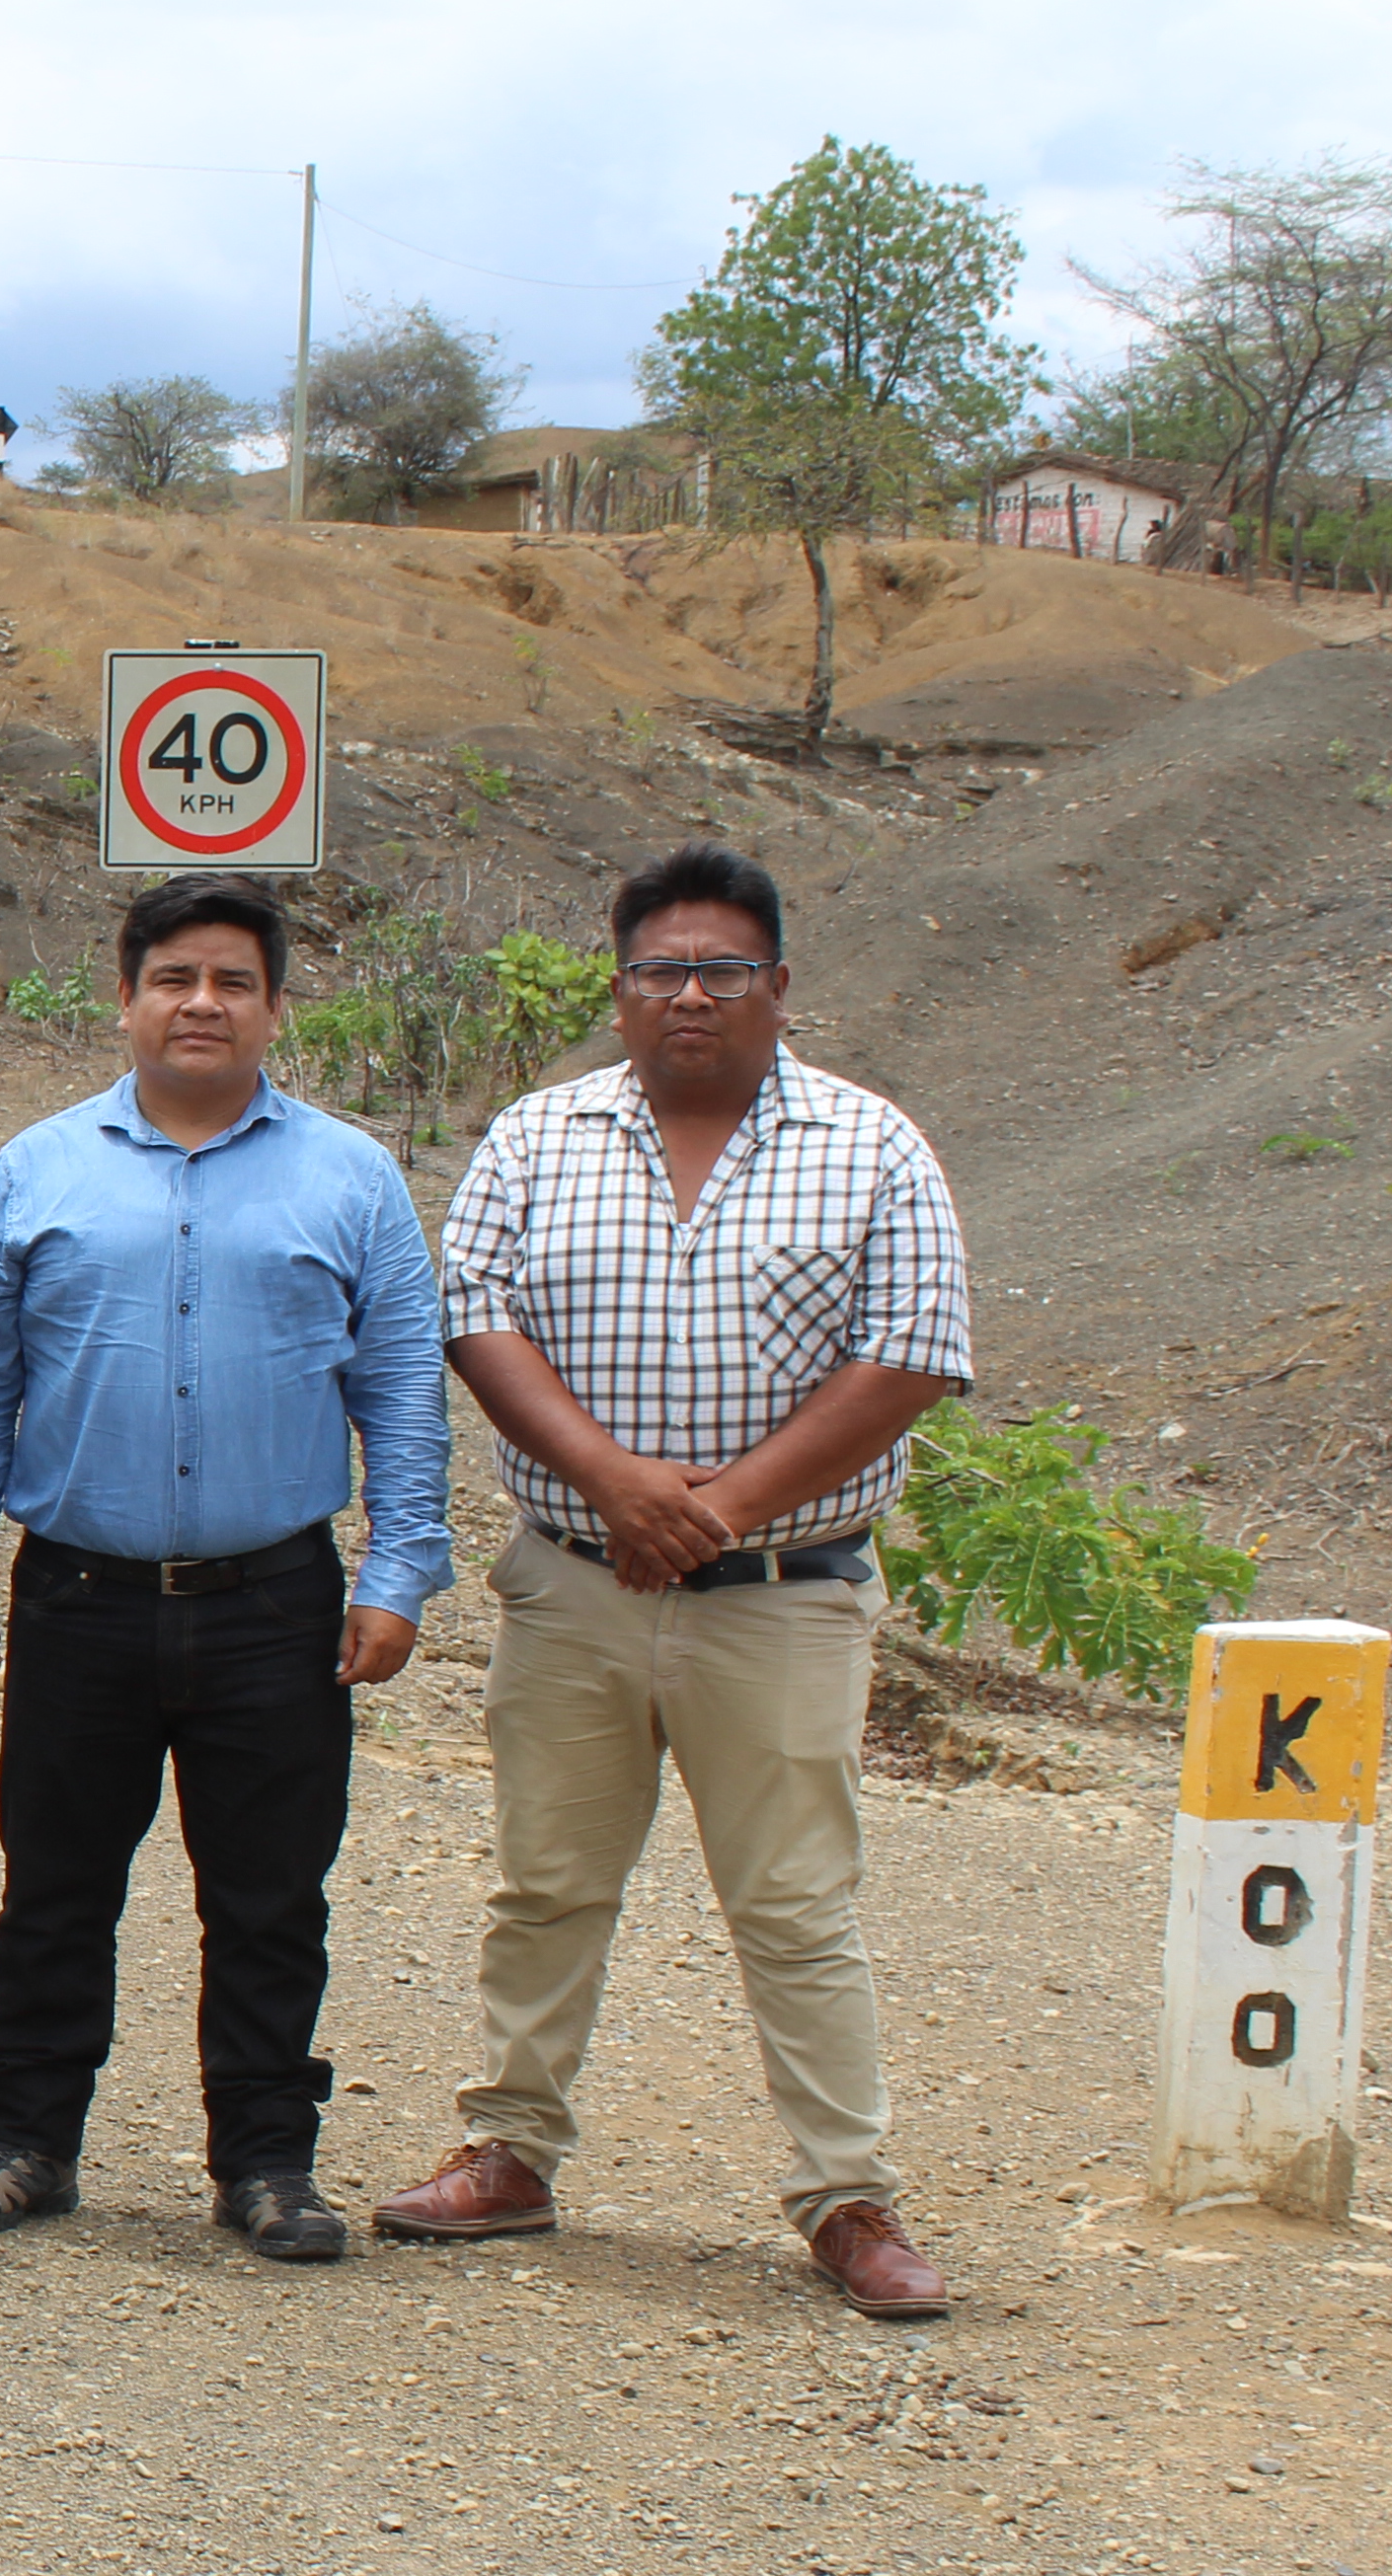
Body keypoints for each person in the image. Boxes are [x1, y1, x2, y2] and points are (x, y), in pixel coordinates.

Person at [386, 841, 974, 2317]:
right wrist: (617, 1486)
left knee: (794, 1904)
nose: (690, 995)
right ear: (621, 985)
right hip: (576, 1582)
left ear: (777, 986)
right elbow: (477, 1321)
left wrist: (712, 1510)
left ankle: (848, 2197)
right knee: (547, 1883)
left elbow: (910, 1352)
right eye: (661, 969)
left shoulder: (874, 1145)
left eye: (723, 969)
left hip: (782, 1590)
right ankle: (510, 2151)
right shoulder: (536, 1138)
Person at [0, 872, 450, 2265]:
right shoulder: (40, 1166)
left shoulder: (353, 1177)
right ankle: (26, 2140)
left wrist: (399, 1572)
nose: (200, 1003)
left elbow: (400, 1387)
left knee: (271, 1896)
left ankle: (267, 2161)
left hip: (275, 1602)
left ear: (275, 1006)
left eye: (231, 981)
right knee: (54, 1886)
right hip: (79, 1595)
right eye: (173, 978)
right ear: (127, 995)